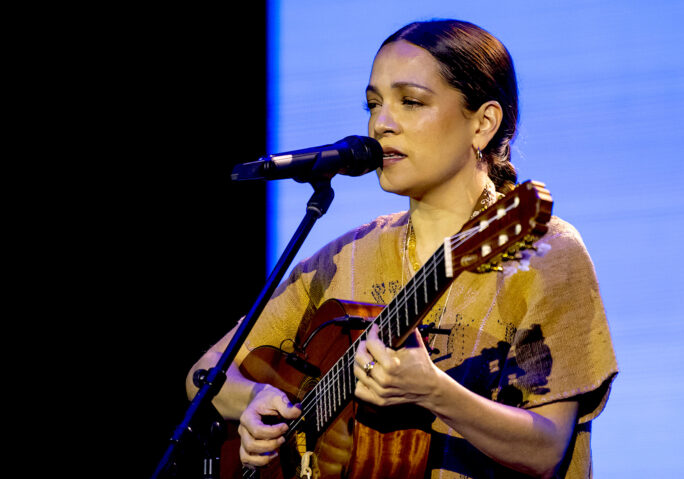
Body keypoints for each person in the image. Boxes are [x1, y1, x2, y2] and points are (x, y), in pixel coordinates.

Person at [187, 19, 618, 478]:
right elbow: (206, 373)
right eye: (374, 104)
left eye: (410, 102)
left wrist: (434, 392)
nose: (381, 124)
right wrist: (255, 403)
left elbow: (547, 449)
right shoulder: (349, 254)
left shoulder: (544, 250)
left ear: (484, 123)